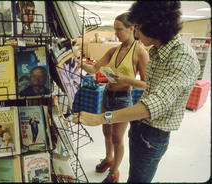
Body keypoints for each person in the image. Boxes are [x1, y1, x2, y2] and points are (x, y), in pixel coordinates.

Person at [73, 1, 200, 183]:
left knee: (136, 175)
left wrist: (101, 117)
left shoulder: (181, 57)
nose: (136, 33)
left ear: (154, 26)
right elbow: (151, 87)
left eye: (138, 28)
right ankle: (110, 161)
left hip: (151, 132)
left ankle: (114, 171)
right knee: (120, 152)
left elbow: (156, 102)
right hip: (139, 124)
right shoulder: (158, 51)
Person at [75, 12, 149, 183]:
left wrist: (126, 80)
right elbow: (94, 69)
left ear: (132, 29)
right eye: (114, 30)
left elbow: (146, 84)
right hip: (107, 95)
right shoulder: (114, 50)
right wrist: (76, 61)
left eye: (119, 30)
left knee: (117, 138)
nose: (116, 34)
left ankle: (114, 172)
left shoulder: (140, 52)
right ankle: (108, 159)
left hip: (123, 99)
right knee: (106, 132)